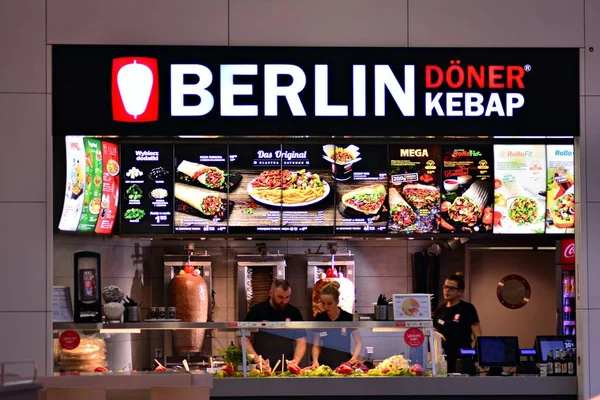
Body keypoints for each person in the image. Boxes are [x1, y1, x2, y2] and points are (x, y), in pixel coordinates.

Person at [244, 279, 306, 370]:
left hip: (286, 367)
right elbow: (243, 337)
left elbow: (301, 340)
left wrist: (296, 361)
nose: (284, 301)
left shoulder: (294, 312)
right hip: (261, 367)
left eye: (287, 297)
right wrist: (256, 359)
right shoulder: (257, 311)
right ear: (271, 293)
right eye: (280, 297)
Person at [433, 273, 482, 373]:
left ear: (459, 292)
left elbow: (477, 334)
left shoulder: (468, 308)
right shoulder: (440, 309)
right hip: (442, 357)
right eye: (445, 287)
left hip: (462, 357)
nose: (447, 290)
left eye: (451, 288)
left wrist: (478, 353)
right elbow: (434, 330)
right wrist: (435, 334)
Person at [311, 281, 362, 369]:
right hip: (324, 363)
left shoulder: (348, 317)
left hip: (345, 362)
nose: (326, 307)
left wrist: (353, 359)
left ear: (337, 301)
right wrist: (315, 360)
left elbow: (359, 342)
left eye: (330, 303)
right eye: (323, 303)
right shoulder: (319, 319)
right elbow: (316, 345)